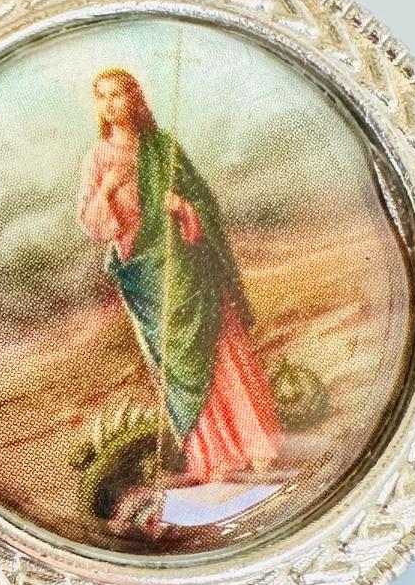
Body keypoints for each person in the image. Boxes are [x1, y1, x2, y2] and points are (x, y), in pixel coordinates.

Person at [78, 67, 283, 484]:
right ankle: (215, 456)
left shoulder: (164, 147)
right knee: (177, 362)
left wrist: (184, 206)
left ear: (134, 98)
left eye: (117, 94)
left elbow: (205, 201)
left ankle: (256, 445)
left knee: (218, 346)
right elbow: (91, 222)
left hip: (188, 264)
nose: (110, 104)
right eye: (101, 96)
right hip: (145, 273)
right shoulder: (98, 158)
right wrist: (108, 190)